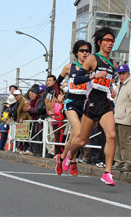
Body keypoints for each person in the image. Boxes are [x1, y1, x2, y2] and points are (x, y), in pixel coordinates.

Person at [63, 27, 118, 186]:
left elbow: (108, 81)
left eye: (112, 41)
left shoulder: (113, 63)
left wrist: (111, 89)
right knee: (81, 140)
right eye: (107, 40)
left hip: (105, 102)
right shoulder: (93, 59)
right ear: (100, 43)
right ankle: (70, 155)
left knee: (111, 135)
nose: (110, 43)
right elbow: (78, 79)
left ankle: (107, 173)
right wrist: (94, 75)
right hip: (91, 101)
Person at [54, 39, 92, 176]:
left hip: (85, 103)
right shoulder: (69, 67)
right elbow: (56, 83)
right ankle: (72, 160)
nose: (85, 53)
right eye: (82, 50)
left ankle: (63, 158)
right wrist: (58, 95)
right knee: (79, 132)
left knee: (73, 138)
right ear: (77, 52)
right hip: (71, 102)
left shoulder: (92, 68)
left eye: (87, 51)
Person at [113, 64, 131, 172]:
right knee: (117, 141)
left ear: (128, 74)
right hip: (117, 116)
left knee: (125, 141)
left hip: (125, 118)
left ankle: (129, 162)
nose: (121, 76)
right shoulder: (118, 85)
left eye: (123, 73)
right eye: (119, 73)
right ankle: (119, 161)